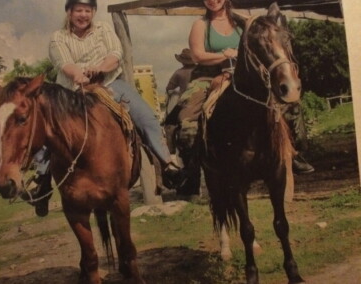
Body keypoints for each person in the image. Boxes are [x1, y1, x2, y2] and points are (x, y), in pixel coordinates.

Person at [27, 0, 184, 215]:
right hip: (71, 89)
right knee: (48, 128)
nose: (83, 15)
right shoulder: (58, 37)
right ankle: (42, 181)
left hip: (109, 83)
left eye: (87, 10)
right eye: (78, 10)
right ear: (69, 12)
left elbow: (115, 54)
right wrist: (79, 75)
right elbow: (63, 63)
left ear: (93, 12)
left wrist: (101, 68)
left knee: (146, 116)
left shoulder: (104, 29)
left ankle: (167, 164)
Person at [165, 0, 313, 196]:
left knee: (288, 105)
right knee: (187, 121)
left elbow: (261, 42)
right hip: (207, 77)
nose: (213, 0)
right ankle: (191, 168)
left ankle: (293, 153)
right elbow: (198, 56)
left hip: (243, 74)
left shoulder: (245, 20)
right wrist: (226, 55)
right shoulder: (201, 25)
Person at [165, 48, 196, 117]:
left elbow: (169, 88)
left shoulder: (178, 73)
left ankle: (169, 118)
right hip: (200, 97)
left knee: (173, 95)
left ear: (182, 61)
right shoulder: (201, 70)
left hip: (184, 100)